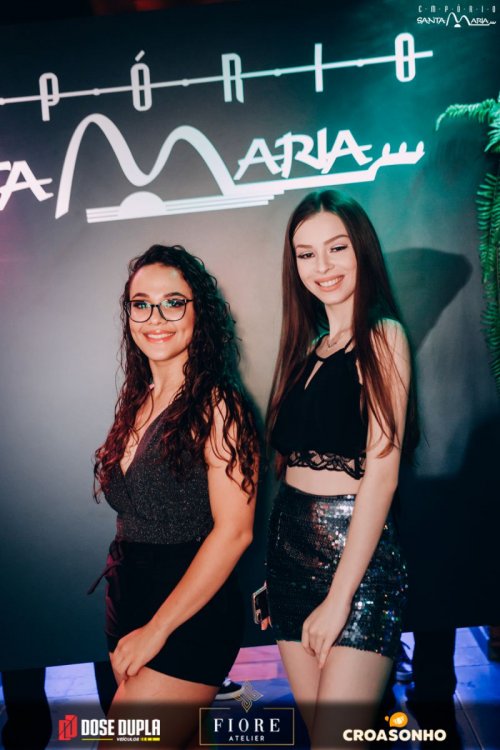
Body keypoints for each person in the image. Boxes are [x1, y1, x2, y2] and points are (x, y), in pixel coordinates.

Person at [264, 190, 418, 748]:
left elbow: (383, 475)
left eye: (336, 247)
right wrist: (276, 570)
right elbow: (291, 471)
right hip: (288, 561)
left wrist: (338, 598)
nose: (322, 266)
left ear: (362, 250)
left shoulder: (384, 336)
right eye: (306, 254)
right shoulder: (310, 348)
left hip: (357, 564)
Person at [91, 245, 258, 748]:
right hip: (129, 605)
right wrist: (134, 624)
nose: (155, 318)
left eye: (173, 303)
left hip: (188, 616)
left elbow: (234, 533)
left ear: (197, 312)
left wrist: (157, 630)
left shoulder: (219, 405)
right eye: (142, 304)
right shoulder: (138, 398)